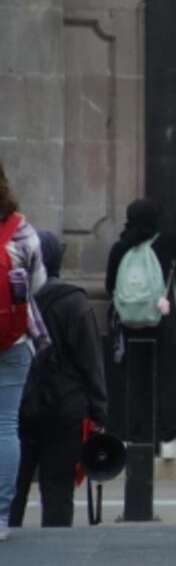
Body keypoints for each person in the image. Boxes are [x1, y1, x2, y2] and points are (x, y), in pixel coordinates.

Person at [8, 231, 107, 527]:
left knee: (12, 490)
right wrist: (99, 410)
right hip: (65, 409)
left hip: (18, 407)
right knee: (58, 491)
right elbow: (91, 362)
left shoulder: (11, 298)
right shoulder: (74, 303)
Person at [105, 188, 176, 459]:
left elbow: (109, 287)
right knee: (168, 378)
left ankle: (133, 440)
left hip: (130, 323)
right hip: (163, 320)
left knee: (135, 381)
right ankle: (168, 442)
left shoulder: (119, 248)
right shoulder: (164, 243)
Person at [0, 163, 48, 541]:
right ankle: (1, 517)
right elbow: (38, 282)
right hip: (14, 341)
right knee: (5, 428)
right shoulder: (21, 231)